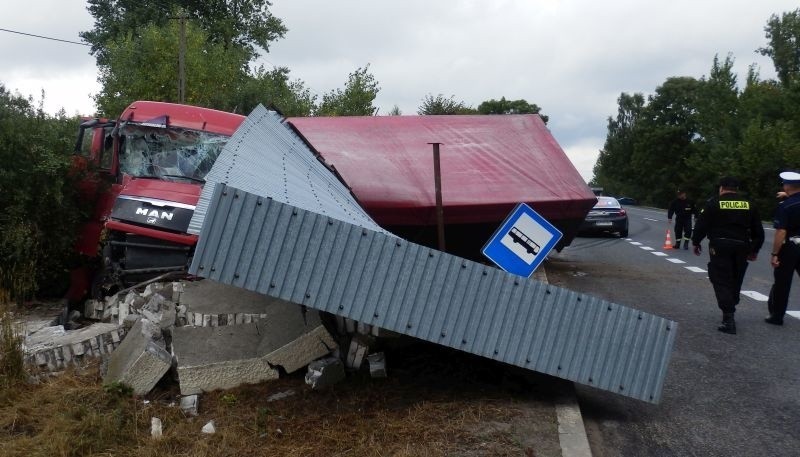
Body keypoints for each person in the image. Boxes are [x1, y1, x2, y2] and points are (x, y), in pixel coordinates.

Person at [692, 177, 764, 334]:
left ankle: (728, 318)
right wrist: (754, 250)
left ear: (721, 188)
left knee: (720, 279)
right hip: (742, 247)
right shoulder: (749, 205)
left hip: (720, 246)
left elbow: (701, 225)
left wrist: (696, 242)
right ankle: (731, 302)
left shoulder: (713, 203)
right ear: (736, 189)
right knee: (736, 278)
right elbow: (759, 232)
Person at [765, 171, 800, 325]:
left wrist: (775, 253)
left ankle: (777, 316)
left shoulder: (785, 206)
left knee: (782, 282)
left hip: (791, 247)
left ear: (786, 186)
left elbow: (781, 231)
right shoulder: (790, 201)